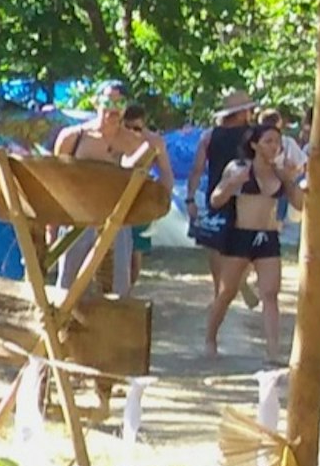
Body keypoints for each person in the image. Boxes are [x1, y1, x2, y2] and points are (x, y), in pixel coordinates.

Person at [197, 97, 294, 358]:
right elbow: (216, 199)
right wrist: (230, 185)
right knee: (227, 292)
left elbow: (300, 204)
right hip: (240, 235)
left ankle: (273, 350)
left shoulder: (280, 172)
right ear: (255, 145)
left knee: (270, 293)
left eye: (277, 142)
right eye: (268, 142)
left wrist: (291, 181)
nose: (274, 147)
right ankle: (210, 338)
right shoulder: (239, 167)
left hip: (269, 236)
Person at [51, 84, 168, 295]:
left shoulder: (135, 141)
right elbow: (55, 182)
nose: (113, 109)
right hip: (77, 220)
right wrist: (51, 230)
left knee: (118, 291)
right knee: (68, 289)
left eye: (120, 103)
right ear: (96, 103)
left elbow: (164, 171)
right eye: (107, 102)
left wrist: (159, 210)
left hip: (117, 222)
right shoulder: (72, 137)